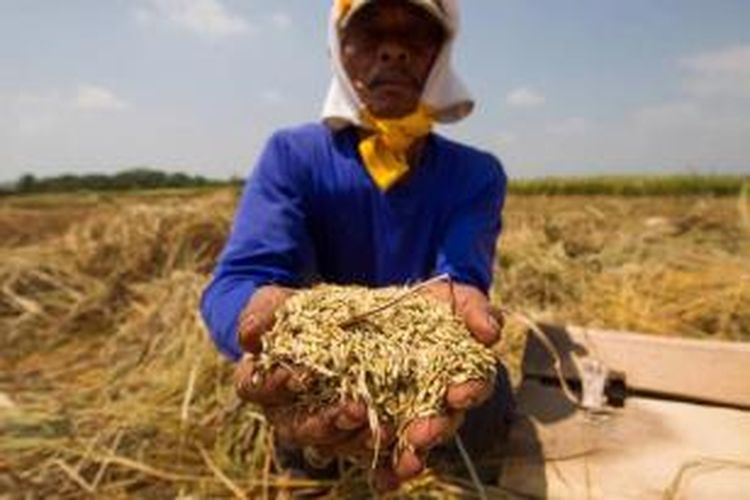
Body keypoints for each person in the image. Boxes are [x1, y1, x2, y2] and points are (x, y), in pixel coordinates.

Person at [201, 0, 513, 492]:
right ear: (338, 51)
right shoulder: (293, 155)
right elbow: (238, 279)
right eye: (369, 33)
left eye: (417, 35)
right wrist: (265, 328)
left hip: (422, 369)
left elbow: (461, 278)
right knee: (305, 433)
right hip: (316, 370)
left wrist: (456, 311)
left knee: (485, 399)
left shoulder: (475, 174)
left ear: (441, 54)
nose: (392, 50)